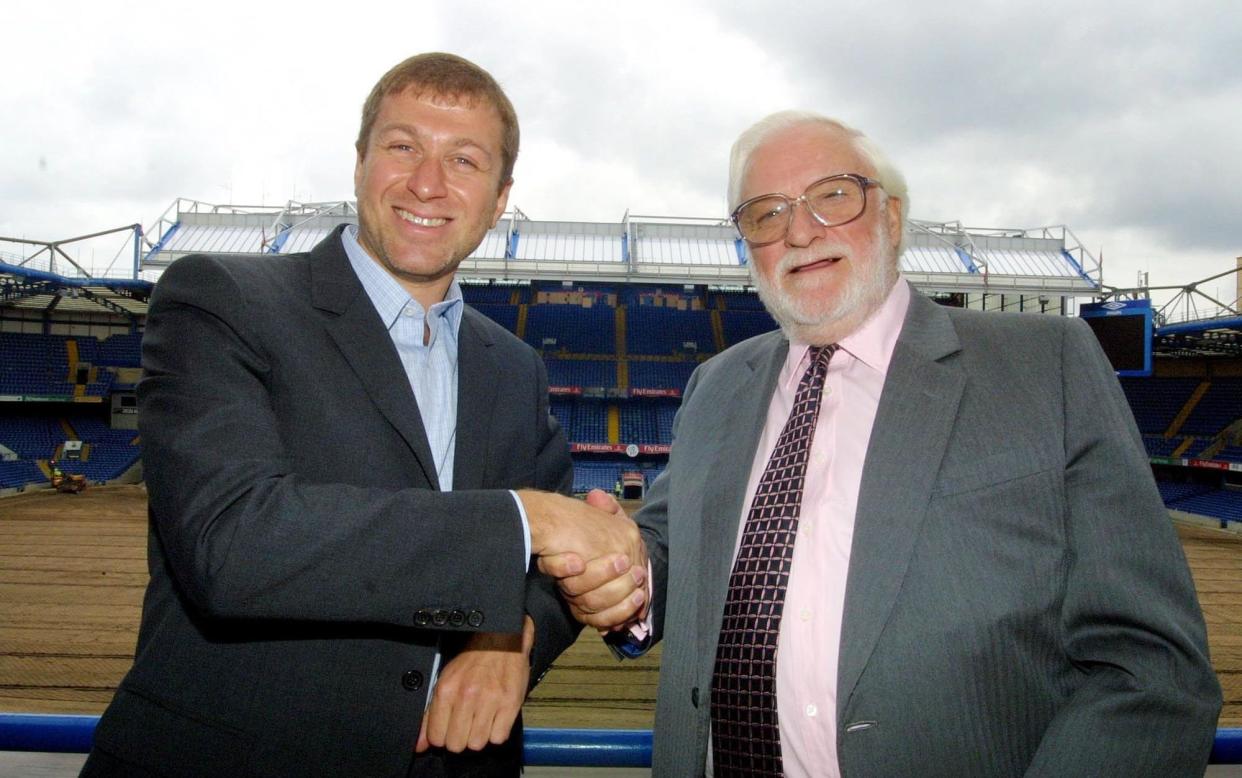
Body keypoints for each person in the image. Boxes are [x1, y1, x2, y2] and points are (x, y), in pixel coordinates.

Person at [558, 111, 1222, 776]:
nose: (798, 229)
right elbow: (672, 558)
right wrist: (623, 577)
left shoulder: (1045, 366)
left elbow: (1151, 669)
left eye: (834, 195)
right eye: (766, 213)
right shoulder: (716, 385)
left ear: (893, 218)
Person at [81, 53, 644, 777]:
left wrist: (514, 637)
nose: (427, 183)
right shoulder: (219, 298)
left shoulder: (512, 365)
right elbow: (230, 545)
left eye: (464, 160)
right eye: (403, 146)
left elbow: (541, 572)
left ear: (501, 199)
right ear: (359, 163)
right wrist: (529, 519)